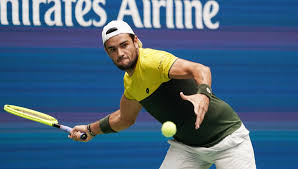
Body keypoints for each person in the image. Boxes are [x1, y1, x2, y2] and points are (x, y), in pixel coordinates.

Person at [69, 20, 257, 169]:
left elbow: (199, 69)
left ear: (135, 41)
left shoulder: (152, 61)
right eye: (113, 49)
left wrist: (203, 94)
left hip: (229, 140)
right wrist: (90, 129)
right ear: (107, 53)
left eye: (124, 45)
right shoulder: (130, 84)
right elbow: (124, 118)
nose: (120, 53)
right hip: (188, 148)